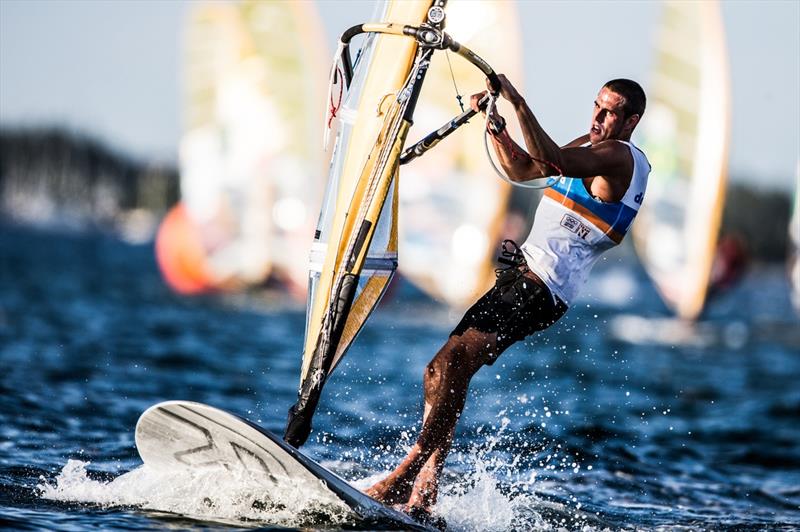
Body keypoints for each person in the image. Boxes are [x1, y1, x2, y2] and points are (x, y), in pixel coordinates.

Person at [365, 75, 650, 519]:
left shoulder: (619, 158)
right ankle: (424, 493)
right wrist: (497, 129)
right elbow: (525, 169)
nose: (596, 117)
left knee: (447, 365)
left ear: (631, 121)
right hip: (524, 282)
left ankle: (406, 472)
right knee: (441, 373)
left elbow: (550, 156)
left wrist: (517, 101)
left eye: (609, 111)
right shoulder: (591, 147)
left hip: (539, 288)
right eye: (595, 105)